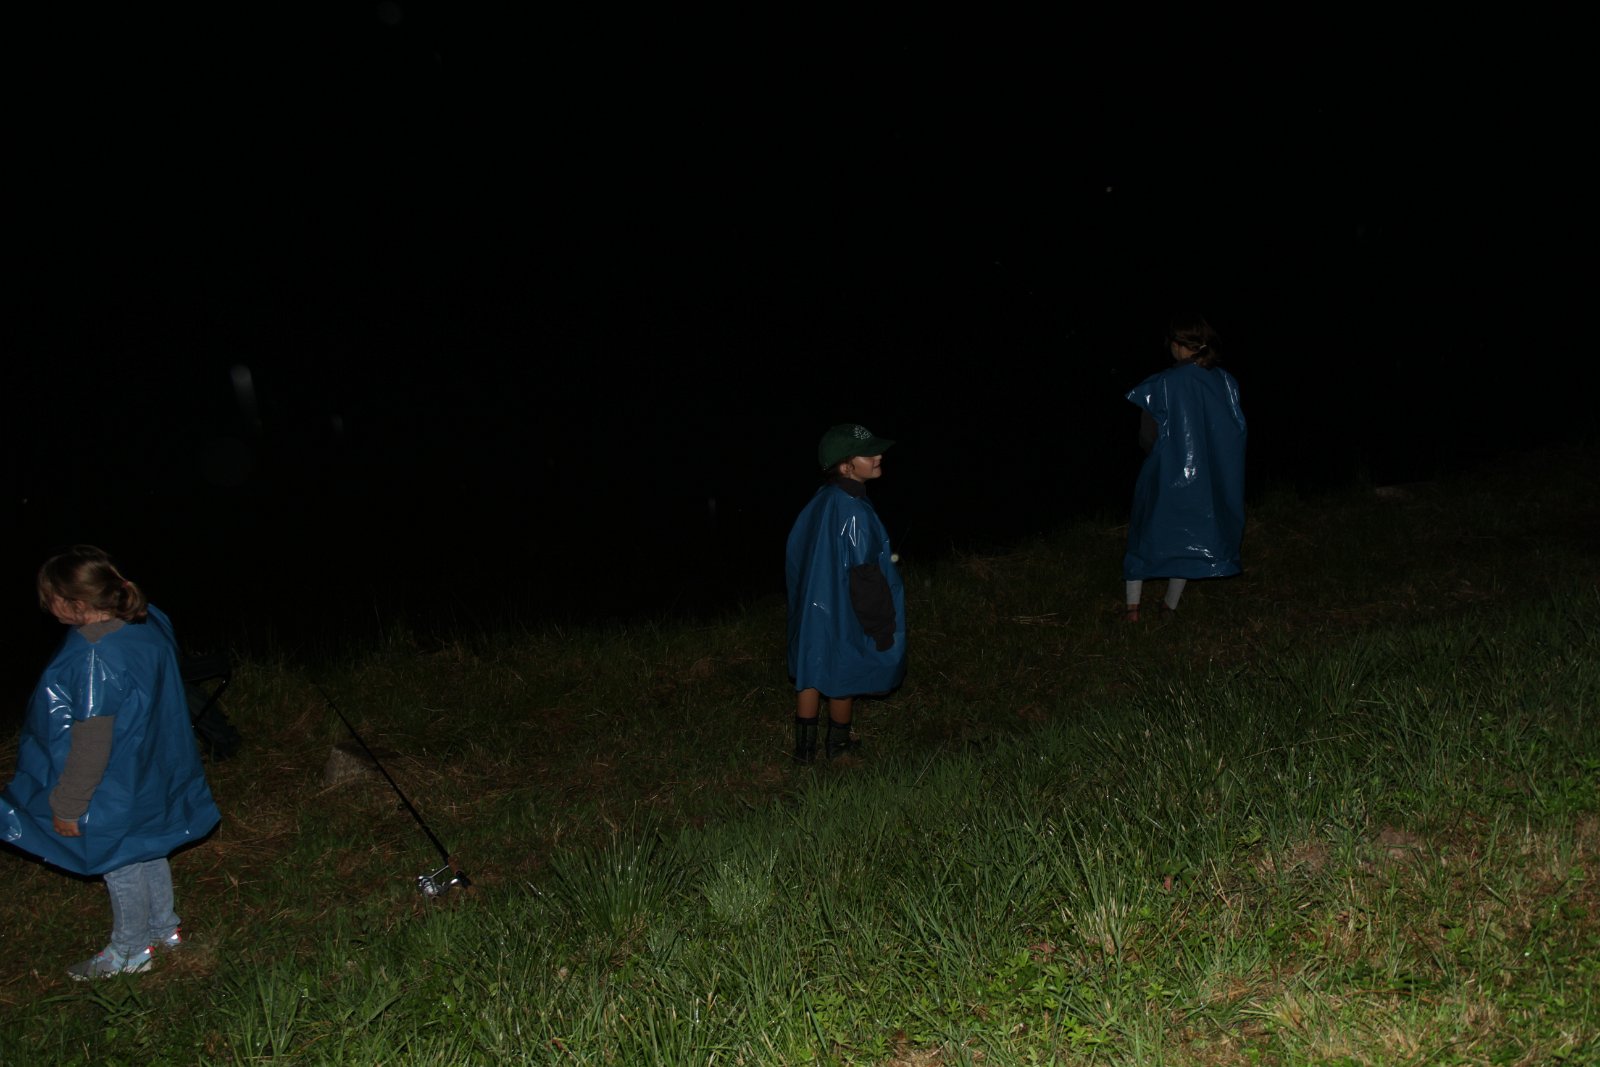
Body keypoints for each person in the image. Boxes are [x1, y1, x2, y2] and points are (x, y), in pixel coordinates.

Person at [2, 546, 221, 980]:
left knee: (119, 863)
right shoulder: (147, 622)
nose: (45, 606)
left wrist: (69, 804)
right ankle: (164, 931)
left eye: (50, 598)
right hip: (149, 770)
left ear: (74, 603)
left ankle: (130, 951)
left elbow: (91, 742)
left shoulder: (94, 655)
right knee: (148, 849)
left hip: (112, 784)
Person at [785, 424, 907, 762]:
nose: (878, 456)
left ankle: (804, 751)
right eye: (867, 454)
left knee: (811, 670)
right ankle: (838, 746)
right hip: (843, 610)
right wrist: (881, 627)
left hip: (813, 610)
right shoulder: (854, 511)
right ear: (845, 466)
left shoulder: (821, 499)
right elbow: (866, 576)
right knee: (842, 672)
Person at [1122, 316, 1247, 621]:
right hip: (1210, 477)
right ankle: (1169, 606)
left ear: (1178, 346)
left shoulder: (1163, 383)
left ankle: (1132, 610)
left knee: (1145, 533)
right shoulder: (1225, 382)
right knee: (1190, 537)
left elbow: (1147, 437)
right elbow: (1235, 431)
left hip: (1165, 474)